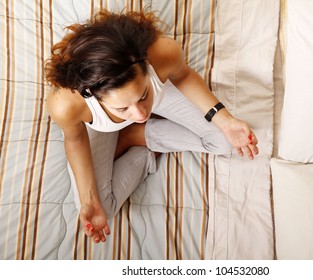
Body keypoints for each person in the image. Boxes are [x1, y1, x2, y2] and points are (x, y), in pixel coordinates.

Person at [45, 9, 259, 243]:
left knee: (224, 141)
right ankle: (132, 138)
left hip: (163, 95)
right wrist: (89, 200)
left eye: (142, 96)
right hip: (98, 127)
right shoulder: (65, 105)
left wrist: (225, 120)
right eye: (123, 109)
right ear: (91, 96)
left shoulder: (163, 52)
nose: (140, 114)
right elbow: (75, 139)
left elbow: (184, 76)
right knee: (100, 210)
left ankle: (134, 134)